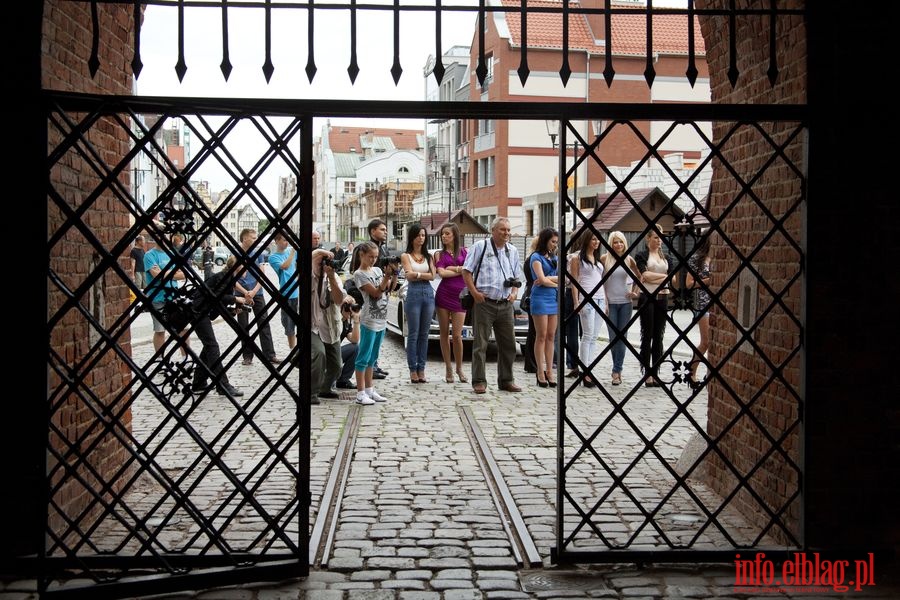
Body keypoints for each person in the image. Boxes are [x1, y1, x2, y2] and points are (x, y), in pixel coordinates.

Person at [462, 217, 522, 394]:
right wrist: (475, 293)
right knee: (481, 344)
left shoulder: (512, 250)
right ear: (493, 230)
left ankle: (506, 380)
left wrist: (514, 294)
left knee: (509, 344)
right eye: (503, 230)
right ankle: (479, 381)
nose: (507, 233)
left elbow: (516, 278)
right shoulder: (481, 247)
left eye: (509, 230)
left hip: (505, 304)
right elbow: (467, 271)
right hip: (485, 303)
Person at [184, 256, 247, 397]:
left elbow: (218, 303)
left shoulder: (228, 278)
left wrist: (232, 310)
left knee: (209, 346)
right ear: (237, 267)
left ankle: (199, 384)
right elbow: (216, 296)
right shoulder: (224, 277)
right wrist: (235, 299)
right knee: (212, 346)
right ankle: (223, 385)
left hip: (201, 311)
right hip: (197, 311)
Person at [351, 241, 398, 405]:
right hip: (369, 320)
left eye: (376, 257)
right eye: (370, 256)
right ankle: (360, 393)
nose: (373, 260)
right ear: (361, 255)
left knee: (373, 358)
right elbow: (376, 294)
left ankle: (370, 390)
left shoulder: (377, 270)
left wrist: (394, 273)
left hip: (381, 319)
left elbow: (390, 289)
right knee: (363, 357)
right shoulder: (359, 274)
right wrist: (386, 277)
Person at [600, 231, 641, 386]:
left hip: (625, 303)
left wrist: (635, 292)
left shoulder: (629, 259)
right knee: (613, 338)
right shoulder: (605, 259)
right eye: (615, 242)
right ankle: (616, 368)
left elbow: (639, 277)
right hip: (610, 303)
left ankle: (617, 371)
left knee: (622, 337)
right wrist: (604, 300)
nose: (618, 245)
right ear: (611, 244)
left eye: (621, 242)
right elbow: (599, 281)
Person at [234, 228, 279, 366]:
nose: (255, 240)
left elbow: (262, 275)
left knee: (264, 323)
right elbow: (232, 277)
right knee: (244, 326)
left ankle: (270, 355)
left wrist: (253, 291)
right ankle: (247, 356)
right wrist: (245, 292)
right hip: (241, 295)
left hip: (257, 293)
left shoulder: (258, 253)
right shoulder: (235, 253)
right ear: (244, 238)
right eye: (253, 238)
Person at [634, 226, 673, 387]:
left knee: (659, 336)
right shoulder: (642, 255)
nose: (658, 240)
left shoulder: (667, 258)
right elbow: (645, 275)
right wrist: (664, 277)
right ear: (648, 238)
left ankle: (655, 372)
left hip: (663, 298)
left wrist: (657, 278)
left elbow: (671, 278)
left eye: (660, 238)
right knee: (647, 334)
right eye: (655, 237)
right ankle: (647, 373)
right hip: (647, 297)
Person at [310, 246, 347, 404]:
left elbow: (339, 300)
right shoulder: (307, 276)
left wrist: (331, 276)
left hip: (330, 326)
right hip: (311, 326)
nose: (322, 264)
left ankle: (324, 388)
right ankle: (311, 392)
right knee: (319, 354)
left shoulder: (333, 278)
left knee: (337, 366)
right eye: (319, 261)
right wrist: (319, 254)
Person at [569, 232, 606, 388]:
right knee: (587, 335)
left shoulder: (598, 260)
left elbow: (602, 281)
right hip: (587, 299)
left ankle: (590, 367)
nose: (596, 242)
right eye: (593, 239)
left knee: (594, 337)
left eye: (597, 239)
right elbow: (574, 281)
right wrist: (576, 301)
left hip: (600, 299)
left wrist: (607, 303)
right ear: (586, 240)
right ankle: (585, 371)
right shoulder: (577, 259)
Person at [433, 223, 469, 383]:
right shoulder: (439, 254)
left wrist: (453, 269)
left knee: (457, 335)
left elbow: (469, 270)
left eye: (447, 233)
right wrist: (458, 269)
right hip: (444, 294)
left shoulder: (465, 251)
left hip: (460, 295)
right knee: (444, 333)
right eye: (442, 234)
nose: (444, 236)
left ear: (454, 235)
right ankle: (448, 368)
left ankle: (459, 368)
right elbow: (441, 273)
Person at [401, 223, 436, 383]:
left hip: (428, 293)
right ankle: (412, 369)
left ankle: (422, 368)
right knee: (413, 334)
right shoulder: (405, 256)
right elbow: (408, 276)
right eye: (418, 235)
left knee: (425, 334)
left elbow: (433, 276)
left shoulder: (429, 256)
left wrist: (416, 274)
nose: (421, 238)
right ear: (412, 237)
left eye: (423, 235)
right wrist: (423, 274)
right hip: (413, 293)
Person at [143, 231, 187, 353]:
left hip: (174, 296)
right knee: (160, 330)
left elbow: (183, 274)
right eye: (159, 236)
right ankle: (160, 360)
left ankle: (186, 358)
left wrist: (164, 273)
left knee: (182, 329)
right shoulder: (149, 255)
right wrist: (173, 274)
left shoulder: (172, 254)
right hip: (157, 297)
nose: (163, 238)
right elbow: (155, 275)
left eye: (165, 236)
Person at [529, 228, 560, 388]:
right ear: (545, 240)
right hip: (540, 298)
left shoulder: (554, 257)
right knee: (541, 335)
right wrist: (551, 280)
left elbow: (562, 278)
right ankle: (540, 370)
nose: (555, 245)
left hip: (553, 297)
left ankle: (550, 370)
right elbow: (540, 279)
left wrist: (548, 279)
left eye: (556, 242)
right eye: (553, 241)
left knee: (550, 335)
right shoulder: (536, 256)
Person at [685, 233, 712, 387]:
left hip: (718, 305)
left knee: (716, 343)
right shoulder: (697, 259)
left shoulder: (720, 257)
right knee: (706, 341)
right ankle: (691, 371)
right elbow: (689, 283)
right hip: (702, 303)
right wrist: (709, 280)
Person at [366, 219, 390, 379]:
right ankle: (369, 366)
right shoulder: (365, 248)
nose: (385, 232)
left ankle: (374, 363)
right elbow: (357, 270)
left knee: (380, 332)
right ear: (373, 231)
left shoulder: (385, 249)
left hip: (383, 293)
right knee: (370, 333)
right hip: (370, 294)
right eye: (382, 229)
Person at [268, 232, 299, 351]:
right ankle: (293, 350)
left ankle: (297, 349)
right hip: (285, 293)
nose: (286, 242)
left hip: (295, 292)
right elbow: (285, 266)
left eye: (287, 240)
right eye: (284, 240)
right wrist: (292, 253)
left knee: (295, 322)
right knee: (288, 324)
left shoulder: (292, 252)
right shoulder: (273, 257)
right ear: (277, 241)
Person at [333, 298, 362, 390]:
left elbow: (355, 340)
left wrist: (356, 320)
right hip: (326, 352)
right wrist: (341, 302)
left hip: (334, 352)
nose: (350, 310)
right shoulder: (333, 315)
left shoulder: (346, 322)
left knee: (356, 348)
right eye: (347, 307)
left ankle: (343, 380)